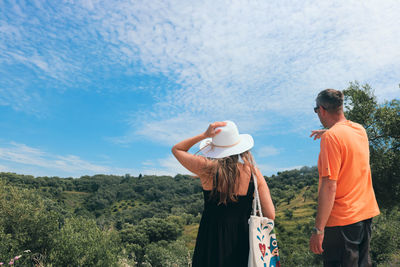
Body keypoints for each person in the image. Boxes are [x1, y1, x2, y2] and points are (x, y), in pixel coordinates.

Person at [172, 120, 275, 267]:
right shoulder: (254, 173)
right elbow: (270, 215)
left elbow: (177, 150)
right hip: (242, 240)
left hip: (210, 239)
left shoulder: (207, 168)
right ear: (240, 146)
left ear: (214, 147)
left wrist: (204, 135)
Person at [309, 89, 380, 267]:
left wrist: (318, 229)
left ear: (322, 110)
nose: (317, 114)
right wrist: (328, 133)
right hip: (364, 216)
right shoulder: (359, 130)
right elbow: (346, 141)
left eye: (316, 110)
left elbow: (329, 186)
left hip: (342, 222)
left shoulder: (332, 138)